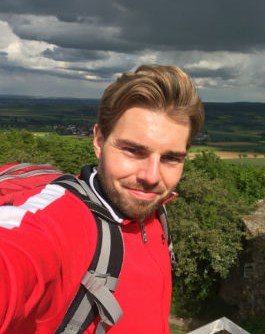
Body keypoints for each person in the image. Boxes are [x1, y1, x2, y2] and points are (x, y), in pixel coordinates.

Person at [0, 65, 204, 333]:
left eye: (171, 158)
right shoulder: (64, 219)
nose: (152, 177)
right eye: (133, 150)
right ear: (98, 140)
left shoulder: (154, 214)